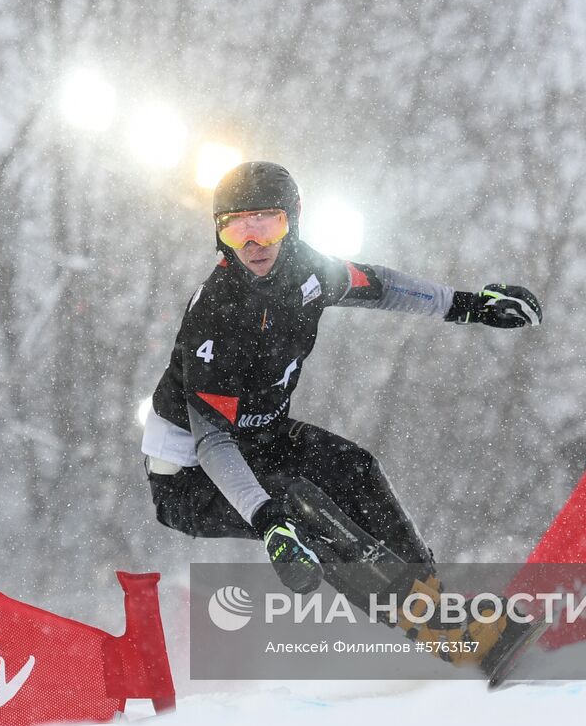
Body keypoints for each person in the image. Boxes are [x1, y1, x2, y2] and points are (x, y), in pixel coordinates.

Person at [141, 161, 543, 676]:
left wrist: (468, 306)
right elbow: (213, 445)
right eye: (236, 227)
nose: (253, 242)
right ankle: (448, 635)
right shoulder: (215, 316)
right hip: (192, 478)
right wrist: (268, 522)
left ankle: (434, 606)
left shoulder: (308, 272)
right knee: (303, 511)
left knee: (355, 468)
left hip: (262, 438)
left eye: (268, 223)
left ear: (294, 221)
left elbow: (383, 286)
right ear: (219, 234)